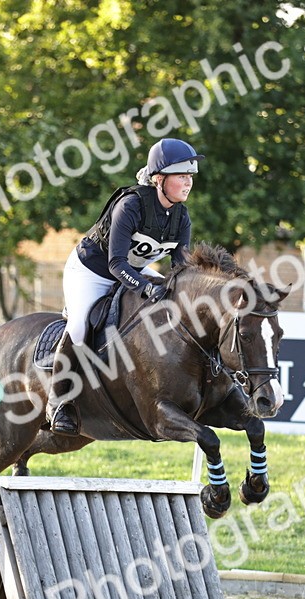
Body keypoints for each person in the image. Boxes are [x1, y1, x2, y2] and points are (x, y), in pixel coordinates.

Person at [45, 137, 201, 436]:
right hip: (91, 270)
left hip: (135, 269)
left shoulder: (181, 216)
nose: (188, 182)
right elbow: (116, 264)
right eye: (181, 175)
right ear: (159, 179)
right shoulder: (131, 205)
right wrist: (145, 287)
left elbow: (181, 266)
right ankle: (58, 400)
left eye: (190, 176)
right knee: (78, 327)